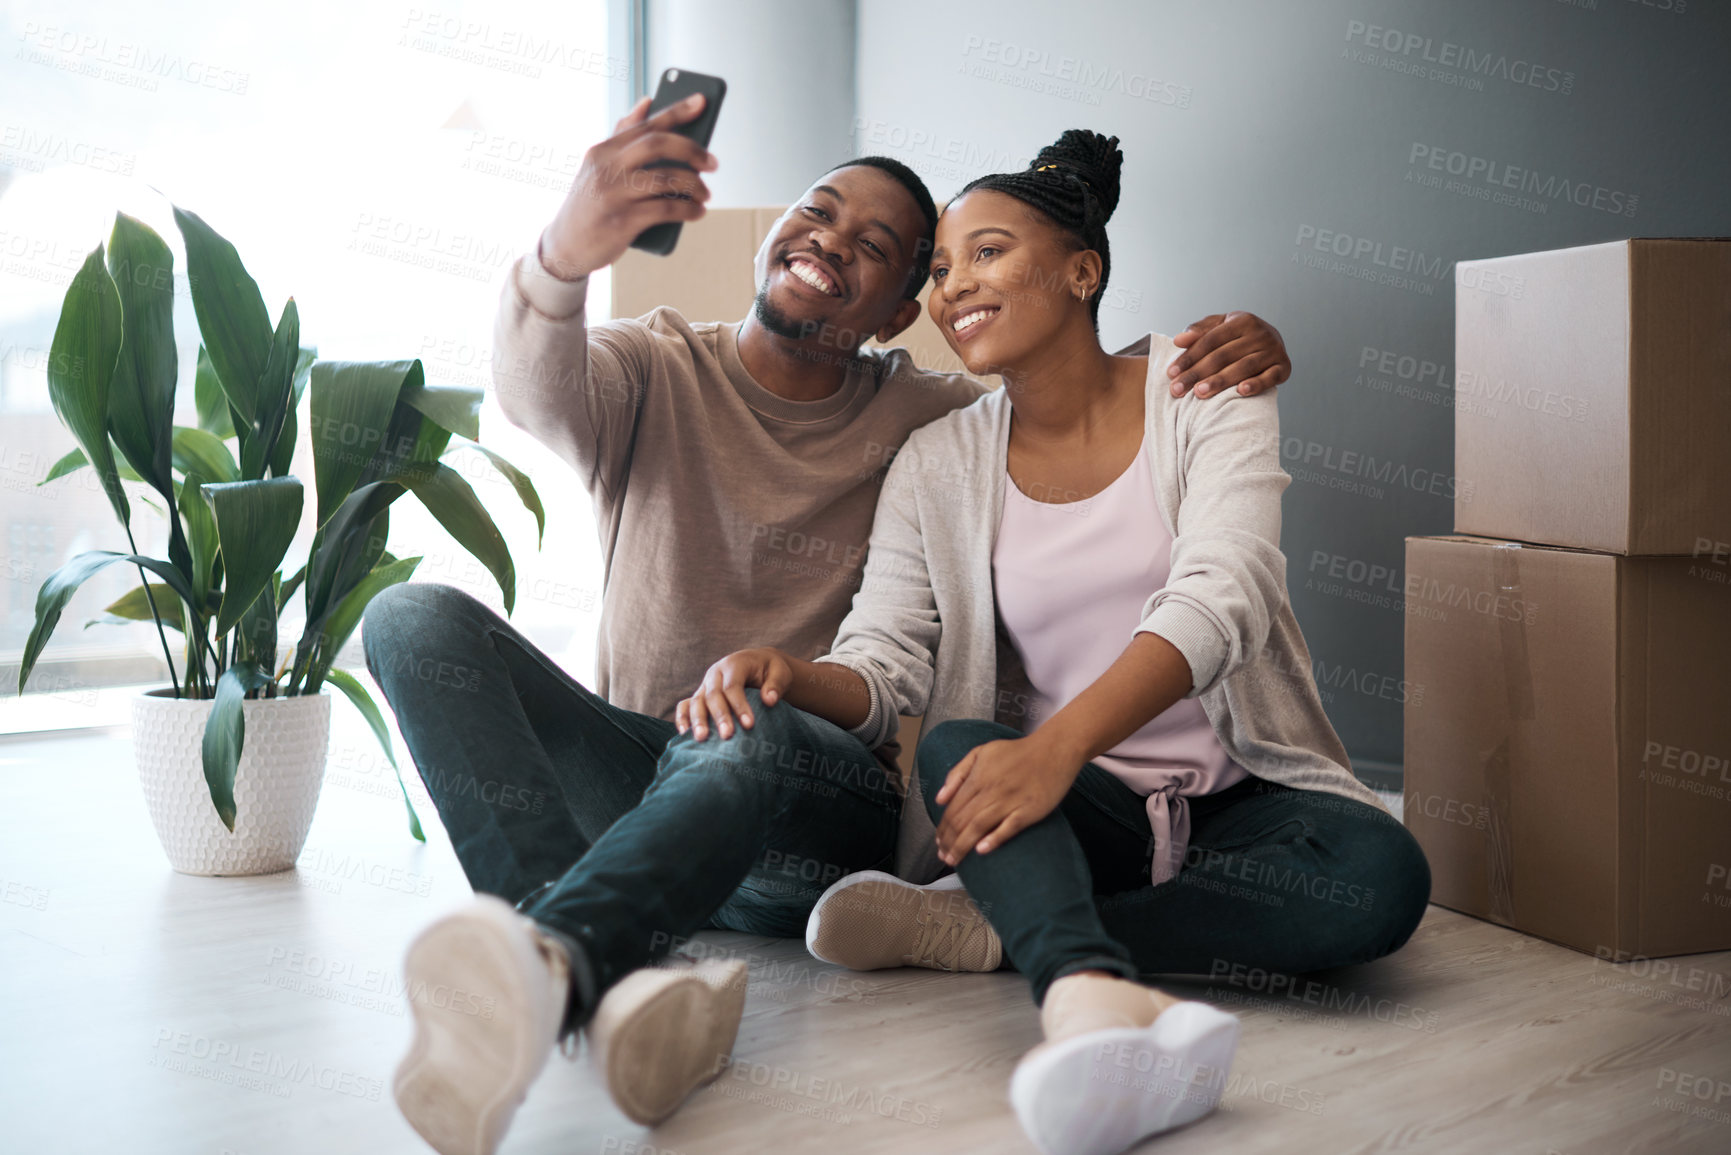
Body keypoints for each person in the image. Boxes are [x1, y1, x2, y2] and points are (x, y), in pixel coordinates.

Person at [365, 92, 1297, 1155]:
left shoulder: (926, 419)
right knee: (411, 615)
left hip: (811, 809)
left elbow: (1063, 383)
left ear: (902, 311)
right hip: (644, 799)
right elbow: (535, 389)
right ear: (774, 234)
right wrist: (559, 258)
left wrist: (1225, 351)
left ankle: (558, 968)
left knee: (746, 724)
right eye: (817, 213)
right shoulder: (652, 366)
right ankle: (594, 978)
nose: (829, 243)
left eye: (881, 249)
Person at [678, 130, 1431, 1155]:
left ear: (1082, 272)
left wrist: (1056, 746)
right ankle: (1084, 995)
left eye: (986, 254)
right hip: (1076, 813)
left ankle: (992, 927)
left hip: (1239, 803)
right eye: (939, 269)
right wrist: (796, 674)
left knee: (1380, 879)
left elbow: (1226, 595)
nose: (952, 288)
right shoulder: (940, 457)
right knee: (956, 751)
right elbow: (891, 660)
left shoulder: (1206, 391)